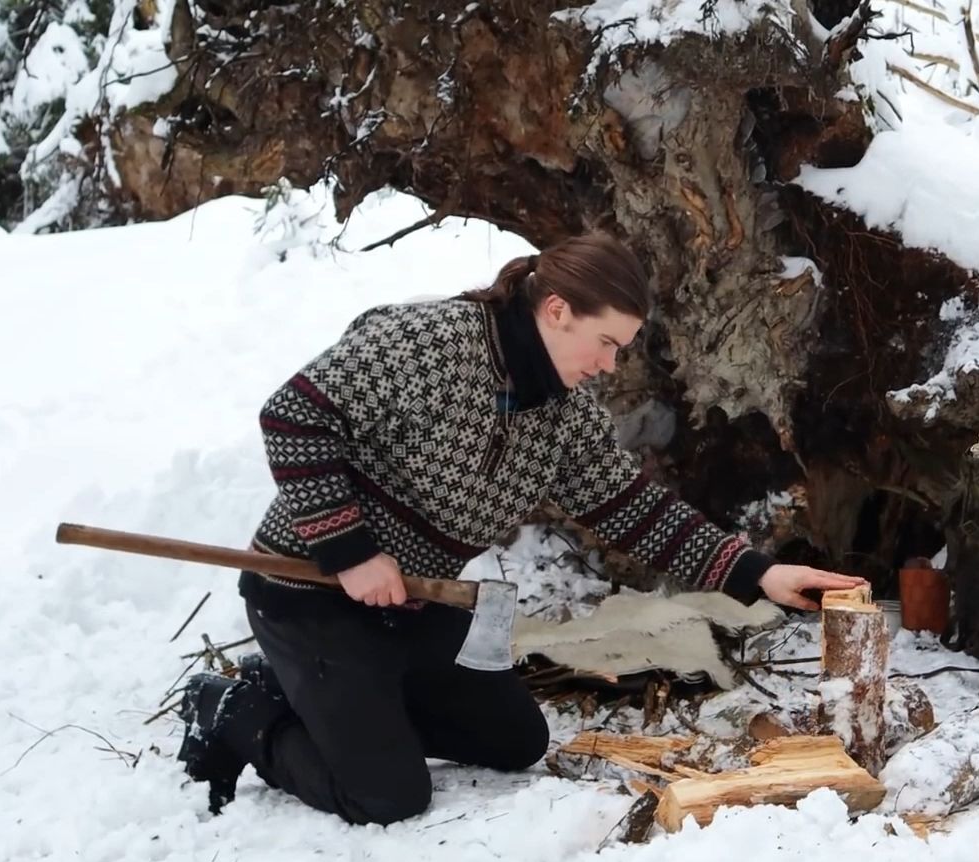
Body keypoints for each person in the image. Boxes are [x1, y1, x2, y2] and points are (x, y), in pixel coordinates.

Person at [176, 232, 865, 821]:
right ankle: (237, 707)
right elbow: (293, 416)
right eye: (606, 342)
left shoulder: (562, 414)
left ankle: (338, 701)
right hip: (311, 597)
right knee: (385, 793)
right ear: (558, 311)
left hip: (411, 604)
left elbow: (634, 509)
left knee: (515, 739)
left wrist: (761, 572)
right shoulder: (430, 346)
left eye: (620, 349)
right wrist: (352, 553)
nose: (609, 364)